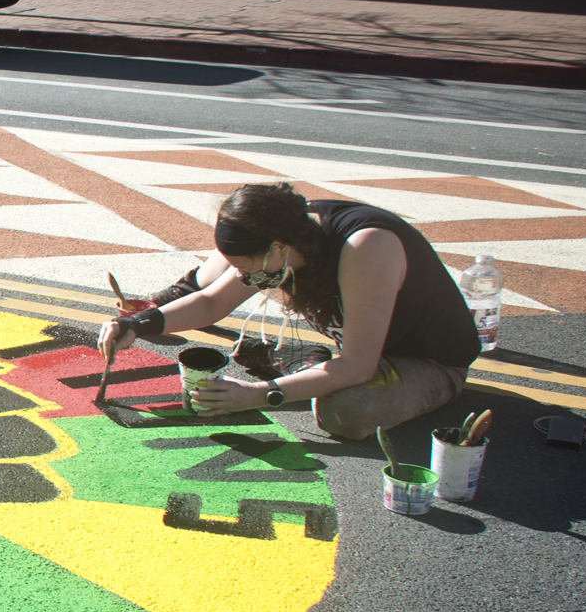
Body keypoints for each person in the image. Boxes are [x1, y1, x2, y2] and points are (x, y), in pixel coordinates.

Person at [97, 182, 479, 441]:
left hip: (427, 362)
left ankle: (304, 368)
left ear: (278, 248)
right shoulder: (288, 238)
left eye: (247, 269)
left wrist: (256, 395)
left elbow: (360, 366)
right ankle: (306, 364)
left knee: (344, 412)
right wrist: (134, 324)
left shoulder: (366, 248)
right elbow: (213, 302)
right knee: (329, 385)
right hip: (361, 347)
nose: (245, 279)